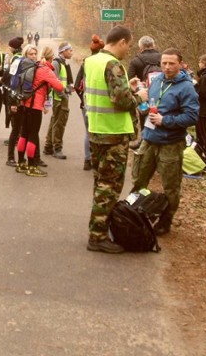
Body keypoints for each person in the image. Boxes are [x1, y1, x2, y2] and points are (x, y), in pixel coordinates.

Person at [84, 25, 148, 253]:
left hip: (96, 129)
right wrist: (138, 97)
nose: (127, 51)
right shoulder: (113, 64)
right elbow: (121, 100)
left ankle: (99, 227)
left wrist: (126, 88)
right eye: (128, 46)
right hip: (113, 134)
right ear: (121, 42)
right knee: (109, 186)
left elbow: (105, 90)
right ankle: (98, 236)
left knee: (100, 182)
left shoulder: (92, 61)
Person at [130, 48, 199, 235]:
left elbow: (192, 116)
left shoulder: (187, 87)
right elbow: (148, 108)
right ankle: (134, 213)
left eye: (171, 64)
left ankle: (165, 221)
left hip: (171, 143)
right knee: (138, 179)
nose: (167, 67)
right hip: (149, 139)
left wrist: (165, 121)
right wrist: (139, 97)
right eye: (164, 63)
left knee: (170, 186)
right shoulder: (157, 80)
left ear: (181, 64)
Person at [16, 45, 64, 177]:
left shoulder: (33, 67)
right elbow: (59, 87)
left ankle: (21, 163)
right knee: (32, 136)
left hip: (25, 104)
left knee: (24, 134)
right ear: (51, 59)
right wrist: (61, 82)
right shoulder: (45, 70)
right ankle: (32, 166)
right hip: (35, 107)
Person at [74, 35, 105, 171]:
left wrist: (82, 98)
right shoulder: (105, 63)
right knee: (100, 132)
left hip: (86, 104)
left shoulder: (85, 63)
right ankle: (98, 160)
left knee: (88, 132)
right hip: (100, 104)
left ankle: (87, 160)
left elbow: (76, 85)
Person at [128, 36, 161, 149]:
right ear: (154, 45)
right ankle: (158, 142)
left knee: (144, 116)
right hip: (161, 93)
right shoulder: (163, 58)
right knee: (160, 115)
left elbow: (130, 79)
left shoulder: (136, 61)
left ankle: (144, 142)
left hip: (144, 94)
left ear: (140, 47)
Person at [44, 41, 74, 159]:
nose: (72, 52)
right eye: (70, 50)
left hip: (61, 96)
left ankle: (48, 146)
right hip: (59, 98)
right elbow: (54, 81)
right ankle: (57, 149)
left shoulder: (62, 63)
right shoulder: (57, 63)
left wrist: (68, 88)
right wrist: (63, 94)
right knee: (59, 123)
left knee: (54, 121)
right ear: (63, 51)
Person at [3, 36, 25, 167]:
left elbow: (11, 79)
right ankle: (16, 157)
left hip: (13, 96)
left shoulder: (15, 59)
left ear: (13, 48)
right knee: (18, 128)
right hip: (17, 97)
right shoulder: (20, 57)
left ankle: (13, 157)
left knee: (16, 127)